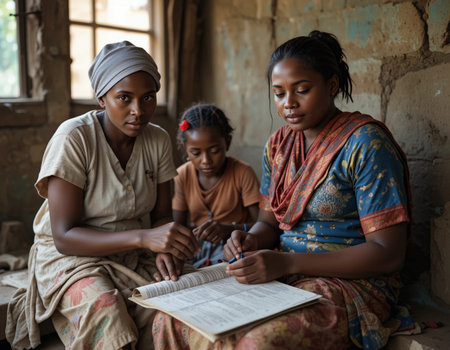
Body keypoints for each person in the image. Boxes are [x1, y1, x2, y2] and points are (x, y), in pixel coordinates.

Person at [151, 31, 414, 350]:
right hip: (283, 272)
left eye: (302, 90)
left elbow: (388, 254)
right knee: (172, 319)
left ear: (331, 85)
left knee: (257, 343)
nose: (288, 103)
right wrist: (248, 238)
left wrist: (289, 264)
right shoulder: (278, 145)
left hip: (351, 283)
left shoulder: (365, 144)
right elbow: (269, 223)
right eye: (278, 93)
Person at [6, 41, 200, 350]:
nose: (139, 110)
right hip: (71, 259)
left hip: (135, 252)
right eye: (124, 98)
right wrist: (144, 238)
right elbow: (64, 236)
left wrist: (165, 248)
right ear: (102, 99)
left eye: (148, 97)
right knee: (108, 314)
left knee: (188, 301)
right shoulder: (74, 139)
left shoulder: (157, 139)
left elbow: (162, 216)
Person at [158, 103, 260, 274]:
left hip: (233, 244)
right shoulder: (183, 175)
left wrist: (228, 229)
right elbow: (179, 227)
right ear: (186, 149)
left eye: (214, 150)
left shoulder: (242, 173)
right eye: (196, 153)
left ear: (227, 143)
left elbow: (262, 225)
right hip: (197, 248)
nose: (206, 160)